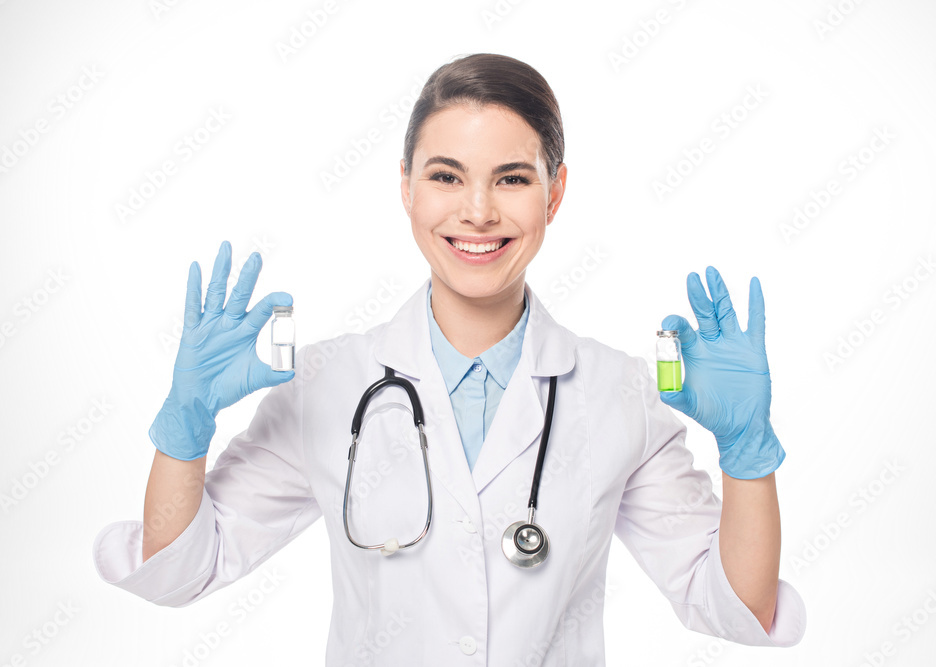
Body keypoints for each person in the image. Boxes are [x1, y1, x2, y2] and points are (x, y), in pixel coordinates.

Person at [93, 52, 806, 664]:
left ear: (555, 193)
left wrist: (746, 453)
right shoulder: (325, 386)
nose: (478, 211)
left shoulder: (620, 394)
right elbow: (181, 571)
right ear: (406, 186)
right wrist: (186, 426)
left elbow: (734, 606)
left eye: (512, 178)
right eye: (446, 176)